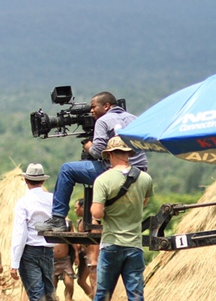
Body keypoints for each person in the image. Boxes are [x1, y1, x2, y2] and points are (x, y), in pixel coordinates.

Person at [36, 92, 148, 232]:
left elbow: (97, 152)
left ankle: (58, 218)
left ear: (106, 106)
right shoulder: (134, 118)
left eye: (94, 107)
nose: (91, 110)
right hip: (139, 171)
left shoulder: (103, 121)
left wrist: (89, 147)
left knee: (67, 170)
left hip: (116, 172)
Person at [87, 137, 153, 301]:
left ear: (111, 154)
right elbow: (143, 204)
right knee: (135, 297)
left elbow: (96, 213)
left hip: (111, 244)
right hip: (134, 246)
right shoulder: (144, 179)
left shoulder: (103, 180)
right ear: (128, 153)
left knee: (102, 296)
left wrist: (100, 210)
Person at [10, 164, 62, 301]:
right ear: (42, 180)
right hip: (48, 250)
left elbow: (20, 233)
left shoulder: (23, 202)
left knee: (36, 295)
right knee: (49, 293)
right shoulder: (53, 198)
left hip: (29, 251)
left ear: (26, 181)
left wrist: (14, 263)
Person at [74, 199, 96, 298]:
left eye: (76, 208)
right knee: (81, 281)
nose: (75, 210)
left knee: (94, 282)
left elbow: (97, 242)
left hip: (92, 256)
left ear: (83, 208)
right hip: (84, 255)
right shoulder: (79, 222)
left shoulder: (93, 222)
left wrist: (95, 258)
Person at [53, 219, 77, 301]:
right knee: (52, 285)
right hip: (53, 259)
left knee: (69, 283)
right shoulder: (49, 222)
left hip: (65, 259)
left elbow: (73, 240)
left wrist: (76, 254)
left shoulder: (67, 223)